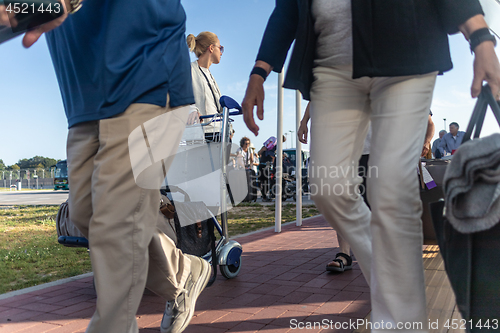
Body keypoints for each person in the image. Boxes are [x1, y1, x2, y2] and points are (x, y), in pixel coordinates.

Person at [242, 0, 500, 330]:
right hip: (332, 67)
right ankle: (393, 270)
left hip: (406, 54)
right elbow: (287, 9)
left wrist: (480, 37)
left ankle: (400, 323)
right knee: (327, 188)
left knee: (391, 190)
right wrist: (259, 71)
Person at [19, 1, 211, 333]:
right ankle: (182, 273)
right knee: (84, 214)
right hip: (84, 92)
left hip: (144, 70)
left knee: (116, 224)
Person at [186, 31, 224, 141]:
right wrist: (191, 110)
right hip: (202, 133)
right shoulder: (189, 69)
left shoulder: (209, 75)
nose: (221, 53)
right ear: (211, 48)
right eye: (220, 48)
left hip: (218, 132)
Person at [258, 135, 286, 201]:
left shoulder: (276, 147)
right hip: (263, 165)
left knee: (267, 182)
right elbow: (259, 153)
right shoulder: (268, 146)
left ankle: (265, 196)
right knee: (263, 181)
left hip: (267, 166)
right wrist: (262, 150)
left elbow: (273, 157)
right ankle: (264, 196)